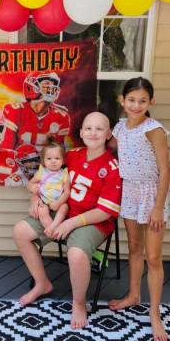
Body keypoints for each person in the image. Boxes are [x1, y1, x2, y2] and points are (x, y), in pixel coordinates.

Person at [13, 112, 121, 329]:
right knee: (20, 231)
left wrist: (70, 223)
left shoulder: (112, 167)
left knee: (77, 253)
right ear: (81, 132)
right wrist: (36, 197)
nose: (93, 133)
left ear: (108, 134)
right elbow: (43, 180)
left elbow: (104, 212)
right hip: (60, 212)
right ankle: (42, 283)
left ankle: (79, 302)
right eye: (88, 128)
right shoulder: (71, 156)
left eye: (99, 129)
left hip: (92, 221)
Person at [108, 77, 169, 341]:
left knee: (153, 257)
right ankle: (133, 295)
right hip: (129, 191)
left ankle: (154, 315)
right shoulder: (120, 127)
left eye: (142, 100)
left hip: (152, 193)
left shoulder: (154, 129)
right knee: (134, 247)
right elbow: (109, 148)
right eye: (131, 100)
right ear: (122, 101)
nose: (136, 105)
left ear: (150, 102)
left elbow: (166, 170)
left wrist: (158, 208)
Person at [2, 72, 70, 151]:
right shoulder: (15, 111)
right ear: (32, 86)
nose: (51, 88)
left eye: (53, 85)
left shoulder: (61, 116)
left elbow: (57, 153)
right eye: (47, 84)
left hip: (45, 161)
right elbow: (7, 150)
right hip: (19, 160)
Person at [27, 139, 70, 238]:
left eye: (57, 158)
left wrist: (58, 203)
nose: (53, 161)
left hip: (58, 201)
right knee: (42, 211)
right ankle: (51, 230)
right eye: (49, 158)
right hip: (44, 200)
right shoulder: (41, 172)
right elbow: (30, 183)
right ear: (44, 161)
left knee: (64, 208)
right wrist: (32, 187)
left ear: (63, 160)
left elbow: (67, 193)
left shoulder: (64, 174)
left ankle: (53, 226)